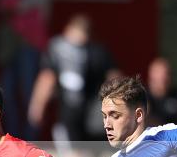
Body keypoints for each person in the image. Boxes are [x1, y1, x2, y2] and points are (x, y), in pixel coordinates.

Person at [28, 14, 119, 143]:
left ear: (68, 29)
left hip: (70, 117)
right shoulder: (99, 51)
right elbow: (115, 80)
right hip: (97, 120)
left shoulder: (57, 48)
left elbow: (47, 79)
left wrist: (37, 107)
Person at [0, 0, 52, 139]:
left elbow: (14, 6)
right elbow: (3, 6)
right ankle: (13, 139)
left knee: (30, 95)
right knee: (6, 94)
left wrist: (11, 4)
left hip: (30, 46)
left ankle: (29, 141)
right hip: (12, 46)